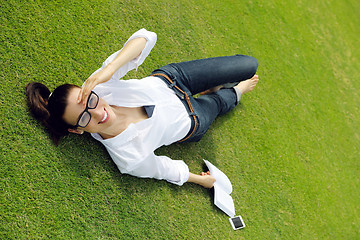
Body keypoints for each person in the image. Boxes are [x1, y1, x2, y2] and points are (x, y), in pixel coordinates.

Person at [26, 29, 259, 188]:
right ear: (77, 130)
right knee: (224, 99)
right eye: (85, 117)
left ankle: (212, 87)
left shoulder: (101, 85)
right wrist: (201, 180)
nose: (98, 112)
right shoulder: (127, 157)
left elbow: (146, 37)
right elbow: (162, 169)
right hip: (192, 120)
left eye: (91, 101)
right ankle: (231, 93)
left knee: (249, 65)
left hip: (174, 79)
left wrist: (109, 70)